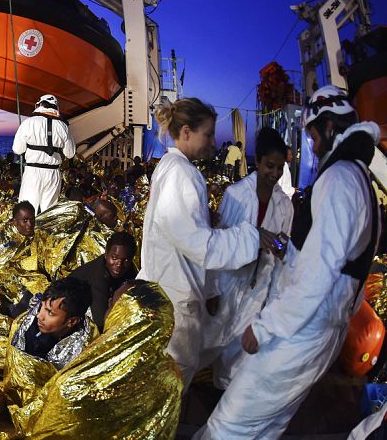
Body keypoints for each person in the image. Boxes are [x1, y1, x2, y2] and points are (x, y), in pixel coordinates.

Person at [199, 85, 381, 439]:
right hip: (314, 325)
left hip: (302, 327)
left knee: (229, 423)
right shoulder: (360, 181)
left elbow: (319, 271)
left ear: (329, 128)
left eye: (313, 137)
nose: (313, 146)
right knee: (268, 425)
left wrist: (266, 326)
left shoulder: (340, 178)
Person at [138, 97, 271, 389]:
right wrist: (252, 237)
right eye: (208, 134)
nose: (213, 142)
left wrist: (203, 219)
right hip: (175, 296)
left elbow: (180, 229)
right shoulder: (182, 173)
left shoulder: (171, 166)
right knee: (173, 383)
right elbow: (199, 244)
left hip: (170, 288)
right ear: (186, 132)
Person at [199, 127, 293, 387]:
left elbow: (282, 255)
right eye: (270, 166)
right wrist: (211, 290)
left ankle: (224, 399)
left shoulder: (285, 205)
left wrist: (280, 250)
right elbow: (218, 243)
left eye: (280, 168)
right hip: (227, 283)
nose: (275, 173)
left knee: (238, 359)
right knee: (208, 343)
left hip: (257, 290)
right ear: (258, 161)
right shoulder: (236, 194)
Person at [12, 94, 76, 214]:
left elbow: (18, 149)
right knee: (49, 213)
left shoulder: (28, 122)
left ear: (40, 104)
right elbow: (70, 153)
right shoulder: (63, 126)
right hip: (53, 174)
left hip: (32, 172)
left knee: (27, 211)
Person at [13, 277, 92, 366]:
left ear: (72, 321)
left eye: (50, 313)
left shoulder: (78, 353)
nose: (39, 316)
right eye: (42, 306)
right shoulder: (31, 326)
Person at [69, 232, 137, 331]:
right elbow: (100, 322)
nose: (119, 264)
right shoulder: (98, 276)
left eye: (126, 260)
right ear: (106, 254)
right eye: (114, 258)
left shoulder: (130, 270)